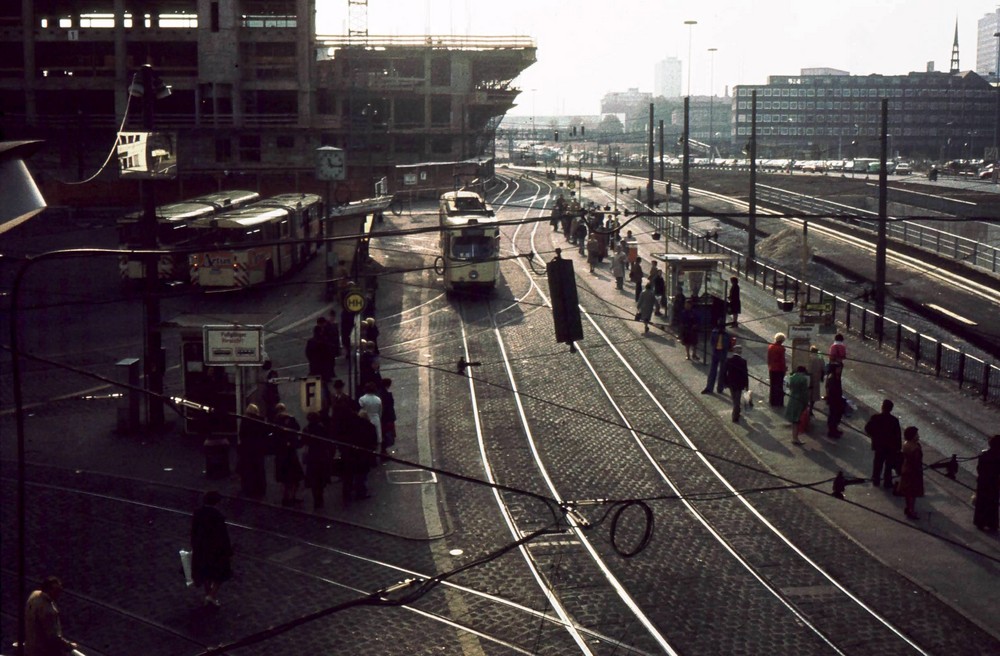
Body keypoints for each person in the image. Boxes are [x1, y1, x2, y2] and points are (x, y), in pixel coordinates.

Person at [191, 491, 233, 607]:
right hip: (216, 550)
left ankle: (208, 594)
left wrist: (194, 545)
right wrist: (228, 550)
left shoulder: (198, 513)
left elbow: (194, 532)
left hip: (201, 548)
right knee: (221, 574)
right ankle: (211, 596)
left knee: (206, 573)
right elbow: (222, 535)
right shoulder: (217, 516)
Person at [25, 576, 78, 656]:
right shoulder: (48, 610)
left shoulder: (34, 595)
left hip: (30, 648)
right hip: (43, 652)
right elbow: (54, 637)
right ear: (49, 590)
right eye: (57, 590)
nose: (59, 593)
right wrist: (69, 645)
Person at [864, 399, 902, 489]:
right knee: (888, 465)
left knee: (878, 463)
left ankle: (876, 479)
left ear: (882, 407)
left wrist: (874, 436)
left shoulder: (876, 418)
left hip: (879, 445)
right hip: (890, 447)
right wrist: (898, 447)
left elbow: (867, 428)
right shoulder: (894, 420)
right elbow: (897, 435)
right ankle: (887, 482)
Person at [342, 410, 378, 502]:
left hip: (351, 454)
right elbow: (373, 441)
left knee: (349, 475)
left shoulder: (351, 426)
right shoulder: (370, 427)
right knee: (361, 475)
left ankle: (347, 494)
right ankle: (360, 492)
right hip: (364, 454)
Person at [272, 403, 304, 507]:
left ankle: (286, 497)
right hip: (290, 452)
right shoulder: (290, 418)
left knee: (284, 479)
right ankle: (292, 497)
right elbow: (297, 428)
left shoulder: (275, 421)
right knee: (294, 478)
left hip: (280, 453)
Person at [303, 411, 334, 511]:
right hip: (322, 456)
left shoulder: (307, 429)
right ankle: (320, 497)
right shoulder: (322, 428)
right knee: (321, 478)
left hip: (312, 456)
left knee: (313, 479)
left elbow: (304, 441)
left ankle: (316, 498)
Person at [237, 403, 269, 497]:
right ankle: (260, 488)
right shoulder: (261, 421)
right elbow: (265, 434)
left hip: (247, 449)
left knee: (248, 469)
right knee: (259, 469)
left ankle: (248, 488)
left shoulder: (245, 421)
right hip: (258, 449)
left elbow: (242, 435)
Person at [973, 434, 1000, 532]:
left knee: (982, 502)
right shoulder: (998, 457)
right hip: (993, 483)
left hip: (983, 481)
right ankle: (992, 523)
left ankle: (980, 522)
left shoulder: (984, 455)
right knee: (992, 503)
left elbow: (979, 468)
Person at [897, 426, 924, 520]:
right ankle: (911, 510)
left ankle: (908, 508)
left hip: (906, 469)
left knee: (908, 493)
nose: (918, 436)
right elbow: (917, 462)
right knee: (913, 493)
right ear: (913, 436)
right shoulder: (916, 448)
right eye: (916, 434)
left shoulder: (906, 444)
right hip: (913, 473)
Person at [785, 365, 811, 445]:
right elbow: (804, 393)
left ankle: (794, 437)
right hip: (799, 401)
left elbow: (788, 386)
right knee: (796, 420)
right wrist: (806, 402)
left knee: (794, 421)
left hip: (792, 399)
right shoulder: (803, 379)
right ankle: (795, 438)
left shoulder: (792, 377)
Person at [702, 321, 730, 394]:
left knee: (722, 372)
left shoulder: (726, 335)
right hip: (716, 353)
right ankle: (709, 388)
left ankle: (720, 388)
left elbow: (728, 345)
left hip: (723, 353)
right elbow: (712, 342)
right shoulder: (714, 333)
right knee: (712, 371)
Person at [724, 344, 749, 423]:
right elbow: (745, 374)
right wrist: (746, 385)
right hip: (739, 383)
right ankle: (735, 416)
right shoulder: (743, 361)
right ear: (740, 352)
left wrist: (724, 382)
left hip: (731, 382)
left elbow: (724, 372)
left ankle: (736, 412)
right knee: (737, 399)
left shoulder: (729, 360)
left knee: (734, 398)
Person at [357, 382, 384, 453]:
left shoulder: (362, 399)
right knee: (377, 437)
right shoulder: (378, 399)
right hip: (376, 418)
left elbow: (360, 410)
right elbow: (380, 411)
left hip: (365, 419)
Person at [825, 361, 845, 438]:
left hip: (837, 400)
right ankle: (832, 431)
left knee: (837, 415)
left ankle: (835, 429)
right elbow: (831, 390)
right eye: (838, 368)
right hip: (834, 400)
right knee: (833, 416)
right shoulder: (832, 378)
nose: (840, 370)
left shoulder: (836, 377)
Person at [767, 332, 787, 407]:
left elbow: (769, 358)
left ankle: (772, 401)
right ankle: (779, 402)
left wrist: (769, 365)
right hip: (779, 369)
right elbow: (782, 360)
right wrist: (784, 369)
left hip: (772, 368)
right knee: (779, 385)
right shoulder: (781, 348)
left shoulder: (770, 347)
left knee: (773, 385)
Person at [379, 377, 397, 458]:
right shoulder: (387, 395)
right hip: (387, 418)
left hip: (383, 418)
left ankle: (383, 450)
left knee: (384, 434)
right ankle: (383, 451)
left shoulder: (380, 393)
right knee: (387, 434)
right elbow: (389, 407)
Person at [806, 345, 825, 415]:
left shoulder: (808, 358)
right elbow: (823, 369)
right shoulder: (820, 359)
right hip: (816, 378)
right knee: (814, 395)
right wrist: (822, 377)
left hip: (808, 377)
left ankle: (805, 409)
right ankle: (810, 409)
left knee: (807, 392)